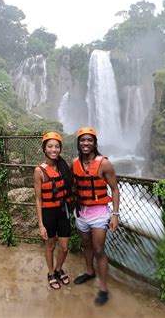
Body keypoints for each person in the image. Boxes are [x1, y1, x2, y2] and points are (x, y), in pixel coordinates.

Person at [71, 127, 120, 306]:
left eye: (89, 140)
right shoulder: (74, 162)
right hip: (81, 212)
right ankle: (90, 272)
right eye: (82, 140)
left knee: (98, 249)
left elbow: (115, 189)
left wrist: (115, 214)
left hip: (99, 212)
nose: (86, 143)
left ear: (94, 143)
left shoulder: (104, 164)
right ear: (78, 143)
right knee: (86, 245)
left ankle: (103, 288)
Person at [34, 131, 73, 290]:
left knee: (64, 247)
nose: (54, 149)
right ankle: (50, 272)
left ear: (60, 149)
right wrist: (41, 224)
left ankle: (58, 269)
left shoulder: (63, 167)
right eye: (50, 146)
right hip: (48, 214)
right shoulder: (39, 171)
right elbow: (38, 199)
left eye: (57, 146)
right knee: (50, 246)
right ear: (44, 149)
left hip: (62, 212)